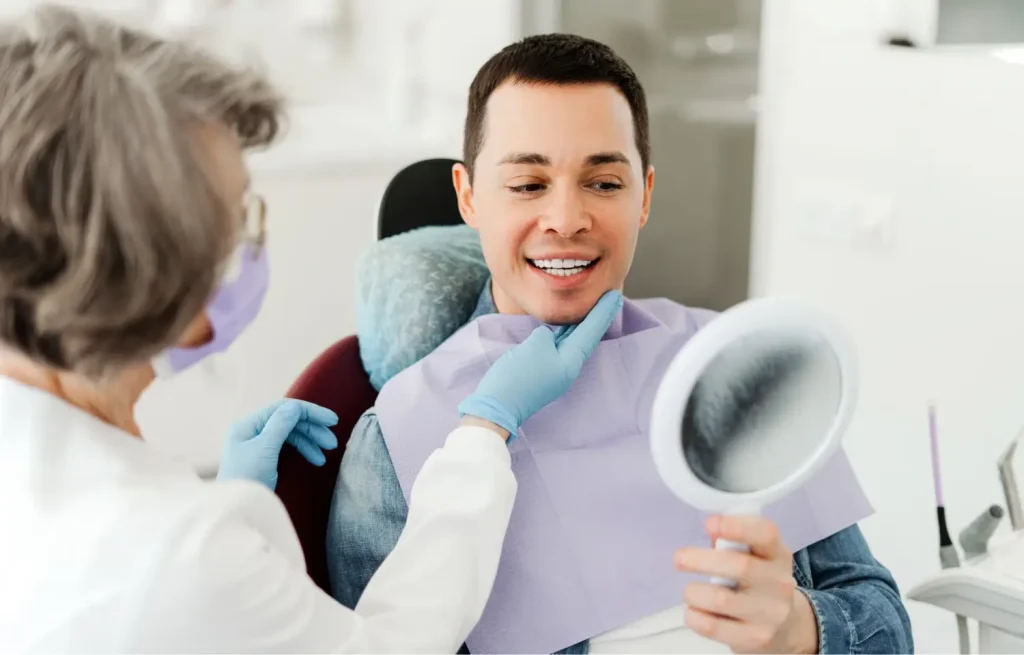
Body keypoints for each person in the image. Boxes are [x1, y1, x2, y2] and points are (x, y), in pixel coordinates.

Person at [0, 7, 621, 652]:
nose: (566, 218)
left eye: (605, 181)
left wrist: (234, 498)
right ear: (162, 280)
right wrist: (485, 428)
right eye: (239, 217)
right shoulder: (182, 553)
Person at [329, 34, 915, 654]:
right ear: (469, 197)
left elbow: (888, 627)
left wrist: (801, 629)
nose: (566, 218)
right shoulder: (400, 436)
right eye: (528, 184)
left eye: (604, 183)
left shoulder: (738, 373)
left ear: (645, 195)